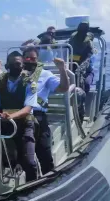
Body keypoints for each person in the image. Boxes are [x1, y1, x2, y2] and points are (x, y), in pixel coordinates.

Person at [0, 51, 38, 200]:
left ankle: (33, 193)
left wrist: (11, 116)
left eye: (18, 63)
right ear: (7, 65)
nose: (15, 66)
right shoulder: (1, 82)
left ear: (23, 64)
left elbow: (28, 108)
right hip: (4, 124)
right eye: (12, 64)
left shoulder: (30, 82)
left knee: (29, 162)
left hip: (24, 124)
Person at [22, 47, 69, 175]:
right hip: (19, 115)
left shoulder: (45, 74)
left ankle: (48, 179)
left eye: (33, 58)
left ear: (38, 60)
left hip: (38, 116)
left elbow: (64, 88)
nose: (30, 61)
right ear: (22, 59)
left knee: (44, 153)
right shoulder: (15, 74)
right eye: (27, 58)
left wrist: (62, 68)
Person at [68, 21, 94, 93]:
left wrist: (80, 68)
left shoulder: (89, 41)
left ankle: (84, 101)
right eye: (81, 28)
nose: (82, 31)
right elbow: (69, 56)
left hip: (87, 71)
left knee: (86, 83)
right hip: (72, 67)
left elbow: (88, 57)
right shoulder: (72, 39)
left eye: (85, 28)